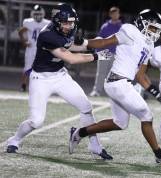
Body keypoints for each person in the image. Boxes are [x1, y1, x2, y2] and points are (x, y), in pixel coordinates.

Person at [69, 9, 161, 164]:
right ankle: (159, 155)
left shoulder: (149, 44)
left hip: (120, 84)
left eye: (157, 29)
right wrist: (85, 42)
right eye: (152, 27)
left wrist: (156, 93)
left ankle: (79, 133)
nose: (154, 32)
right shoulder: (130, 31)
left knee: (120, 123)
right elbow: (104, 42)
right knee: (146, 116)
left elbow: (140, 76)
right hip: (118, 82)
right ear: (142, 23)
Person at [6, 4, 112, 159]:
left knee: (86, 107)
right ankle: (14, 140)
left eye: (71, 22)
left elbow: (78, 45)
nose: (69, 26)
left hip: (60, 76)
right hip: (41, 79)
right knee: (36, 121)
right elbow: (71, 58)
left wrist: (105, 43)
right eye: (66, 22)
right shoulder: (47, 35)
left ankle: (95, 145)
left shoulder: (68, 29)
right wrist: (97, 56)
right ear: (56, 21)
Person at [89, 6, 123, 97]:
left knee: (114, 75)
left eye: (117, 13)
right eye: (113, 13)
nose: (115, 15)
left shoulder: (122, 27)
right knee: (101, 73)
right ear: (110, 14)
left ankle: (114, 93)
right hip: (104, 53)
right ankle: (96, 91)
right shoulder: (105, 26)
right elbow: (100, 39)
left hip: (116, 54)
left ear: (119, 14)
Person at [18, 5, 50, 92]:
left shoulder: (47, 23)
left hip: (42, 49)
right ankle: (24, 85)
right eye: (36, 14)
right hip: (31, 49)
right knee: (28, 68)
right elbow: (20, 31)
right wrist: (24, 42)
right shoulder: (28, 22)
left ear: (43, 14)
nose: (38, 16)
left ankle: (43, 86)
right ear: (32, 14)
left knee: (44, 68)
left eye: (39, 14)